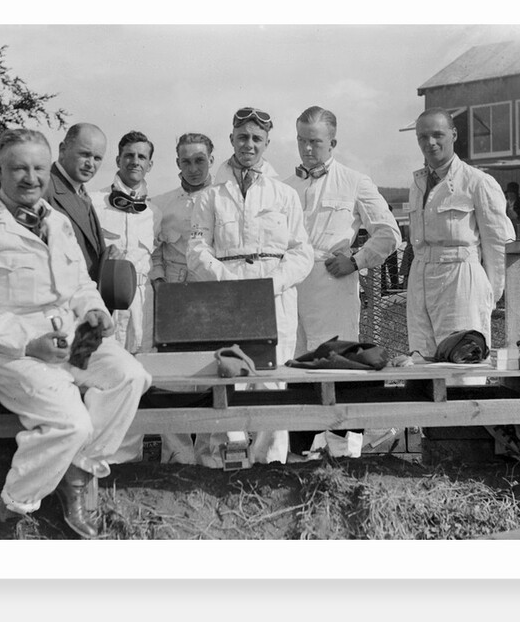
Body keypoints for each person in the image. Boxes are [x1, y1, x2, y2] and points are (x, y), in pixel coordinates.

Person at [0, 128, 151, 539]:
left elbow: (79, 283)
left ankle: (75, 475)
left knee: (130, 376)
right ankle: (14, 508)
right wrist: (29, 343)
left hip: (68, 338)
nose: (31, 178)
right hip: (9, 350)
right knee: (72, 423)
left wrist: (94, 310)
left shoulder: (57, 223)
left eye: (39, 169)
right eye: (19, 168)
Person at [187, 107, 313, 468]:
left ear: (267, 143)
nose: (249, 144)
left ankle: (271, 467)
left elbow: (301, 252)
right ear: (231, 139)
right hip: (226, 300)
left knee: (272, 383)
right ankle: (222, 467)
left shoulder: (284, 194)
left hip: (274, 299)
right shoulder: (210, 197)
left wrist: (273, 284)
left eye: (257, 138)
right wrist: (229, 284)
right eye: (243, 137)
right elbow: (196, 249)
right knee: (227, 380)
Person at [283, 105, 401, 456]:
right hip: (292, 286)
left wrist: (356, 261)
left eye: (315, 142)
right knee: (295, 365)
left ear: (332, 143)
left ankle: (346, 455)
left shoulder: (354, 181)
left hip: (332, 283)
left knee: (337, 364)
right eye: (301, 140)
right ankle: (299, 453)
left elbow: (389, 233)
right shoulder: (285, 187)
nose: (307, 149)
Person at [406, 108, 514, 358]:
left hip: (461, 280)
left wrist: (488, 294)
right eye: (423, 137)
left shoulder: (478, 182)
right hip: (420, 277)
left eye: (437, 134)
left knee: (463, 361)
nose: (430, 143)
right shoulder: (418, 184)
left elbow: (498, 244)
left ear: (453, 134)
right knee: (422, 358)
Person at [92, 130, 161, 465]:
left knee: (138, 373)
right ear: (118, 159)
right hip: (105, 299)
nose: (135, 161)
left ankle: (131, 459)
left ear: (150, 164)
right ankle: (103, 455)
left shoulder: (155, 212)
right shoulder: (94, 203)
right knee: (106, 374)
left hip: (141, 303)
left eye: (141, 156)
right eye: (129, 155)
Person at [148, 132, 216, 464]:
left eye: (199, 160)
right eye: (186, 161)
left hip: (213, 295)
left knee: (211, 373)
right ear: (177, 163)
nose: (193, 168)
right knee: (172, 377)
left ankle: (210, 454)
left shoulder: (222, 199)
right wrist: (161, 282)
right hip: (173, 293)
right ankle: (177, 456)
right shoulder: (160, 204)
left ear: (211, 161)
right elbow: (154, 251)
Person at [44, 123, 108, 281]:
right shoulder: (41, 189)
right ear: (63, 150)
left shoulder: (82, 194)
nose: (90, 164)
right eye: (85, 154)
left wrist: (108, 254)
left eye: (97, 158)